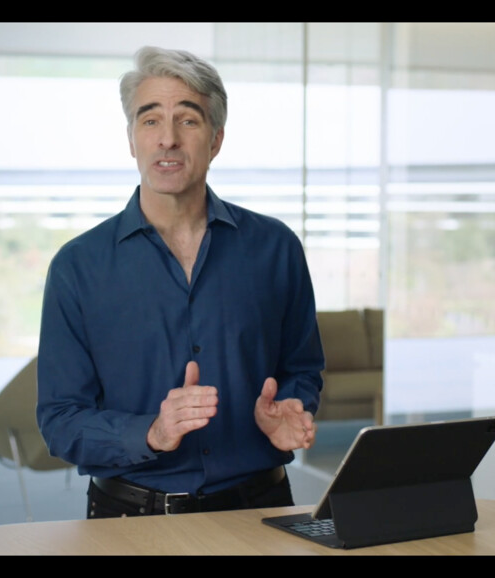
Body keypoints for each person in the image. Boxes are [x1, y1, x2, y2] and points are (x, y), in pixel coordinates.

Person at [36, 45, 325, 518]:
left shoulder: (276, 249)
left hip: (258, 512)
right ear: (132, 139)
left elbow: (303, 368)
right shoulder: (77, 267)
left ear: (216, 139)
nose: (167, 139)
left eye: (188, 120)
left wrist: (290, 407)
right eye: (150, 120)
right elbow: (60, 420)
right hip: (128, 521)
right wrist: (151, 432)